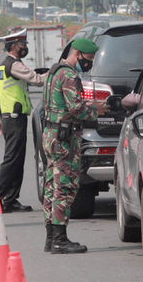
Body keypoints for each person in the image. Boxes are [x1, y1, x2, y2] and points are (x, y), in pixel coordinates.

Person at [41, 38, 107, 254]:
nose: (89, 64)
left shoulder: (53, 72)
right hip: (65, 139)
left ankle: (51, 238)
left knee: (51, 186)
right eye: (88, 59)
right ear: (77, 54)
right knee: (65, 187)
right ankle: (60, 239)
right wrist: (98, 111)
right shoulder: (69, 75)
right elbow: (76, 109)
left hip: (51, 134)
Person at [0, 29, 46, 213]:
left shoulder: (4, 65)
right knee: (11, 159)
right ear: (14, 46)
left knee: (17, 159)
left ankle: (10, 199)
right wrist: (56, 73)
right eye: (22, 45)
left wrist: (0, 117)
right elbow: (37, 80)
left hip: (10, 117)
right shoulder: (13, 65)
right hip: (14, 118)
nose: (25, 48)